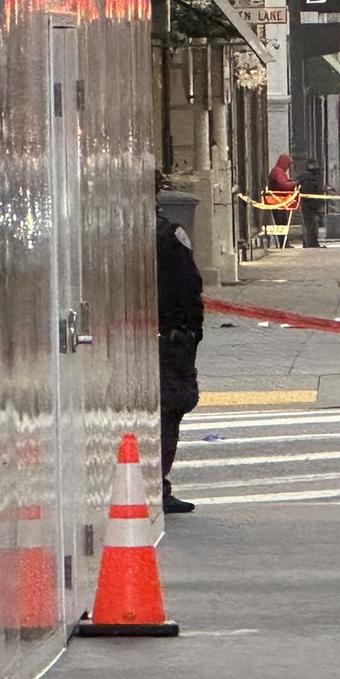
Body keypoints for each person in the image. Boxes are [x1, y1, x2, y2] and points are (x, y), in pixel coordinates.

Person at [156, 210, 204, 513]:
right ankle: (157, 484)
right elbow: (189, 283)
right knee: (170, 408)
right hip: (171, 335)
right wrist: (192, 329)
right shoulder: (167, 233)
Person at [267, 153, 297, 248]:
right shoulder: (277, 172)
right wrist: (294, 184)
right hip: (277, 202)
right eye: (288, 165)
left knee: (284, 221)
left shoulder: (279, 172)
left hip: (280, 202)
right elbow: (283, 185)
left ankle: (284, 242)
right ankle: (282, 243)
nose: (288, 167)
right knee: (281, 223)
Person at [298, 159, 325, 248]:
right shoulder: (308, 177)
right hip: (309, 204)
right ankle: (310, 242)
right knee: (310, 223)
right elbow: (311, 190)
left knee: (312, 223)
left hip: (310, 203)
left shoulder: (308, 176)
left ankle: (311, 242)